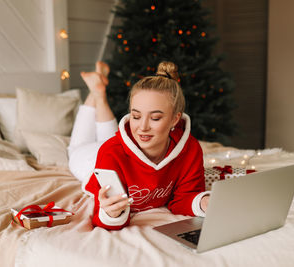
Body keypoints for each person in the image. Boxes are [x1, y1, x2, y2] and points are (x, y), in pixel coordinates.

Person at [68, 61, 210, 230]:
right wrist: (111, 214)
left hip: (123, 146)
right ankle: (96, 94)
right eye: (135, 116)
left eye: (155, 118)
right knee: (76, 148)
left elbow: (183, 198)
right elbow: (102, 216)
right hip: (89, 161)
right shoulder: (110, 153)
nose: (143, 127)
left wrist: (203, 202)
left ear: (175, 119)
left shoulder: (190, 149)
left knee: (110, 137)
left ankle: (98, 92)